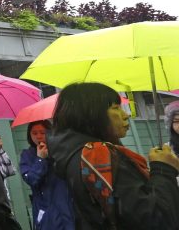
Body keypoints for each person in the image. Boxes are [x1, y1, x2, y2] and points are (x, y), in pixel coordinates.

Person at [48, 82, 179, 229]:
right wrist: (163, 170)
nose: (126, 114)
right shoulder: (97, 156)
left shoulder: (72, 154)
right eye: (115, 108)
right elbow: (156, 220)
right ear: (91, 114)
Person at [19, 120, 74, 230]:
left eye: (42, 132)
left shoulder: (62, 151)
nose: (38, 136)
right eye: (34, 133)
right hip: (44, 211)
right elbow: (32, 180)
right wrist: (40, 159)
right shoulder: (27, 155)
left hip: (67, 207)